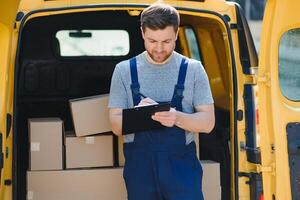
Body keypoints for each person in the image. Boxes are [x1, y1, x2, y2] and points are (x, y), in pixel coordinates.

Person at [108, 2, 215, 200]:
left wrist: (176, 118)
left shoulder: (193, 70)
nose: (158, 48)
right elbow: (115, 125)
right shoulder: (124, 71)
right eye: (152, 41)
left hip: (181, 167)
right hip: (141, 169)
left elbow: (208, 122)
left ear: (176, 34)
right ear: (142, 32)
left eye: (166, 41)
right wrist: (139, 115)